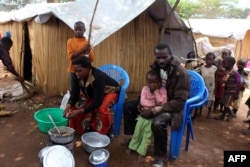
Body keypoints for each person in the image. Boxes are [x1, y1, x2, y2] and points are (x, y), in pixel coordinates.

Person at [140, 43, 190, 167]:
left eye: (164, 57)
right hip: (156, 101)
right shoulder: (156, 68)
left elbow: (179, 102)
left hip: (172, 106)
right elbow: (149, 87)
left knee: (158, 122)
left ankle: (161, 156)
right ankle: (136, 140)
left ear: (171, 55)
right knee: (129, 107)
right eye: (158, 57)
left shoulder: (180, 73)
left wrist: (154, 110)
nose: (161, 60)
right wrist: (141, 104)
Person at [63, 56, 120, 136]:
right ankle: (79, 128)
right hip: (92, 92)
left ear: (87, 69)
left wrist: (80, 111)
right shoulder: (75, 75)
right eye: (75, 71)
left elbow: (98, 100)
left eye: (79, 71)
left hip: (109, 92)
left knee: (101, 108)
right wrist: (68, 106)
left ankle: (105, 132)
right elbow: (74, 93)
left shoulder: (98, 77)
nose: (77, 74)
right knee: (74, 106)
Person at [126, 69, 167, 163]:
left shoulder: (162, 90)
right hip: (143, 116)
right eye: (150, 82)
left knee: (147, 136)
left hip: (152, 118)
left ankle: (142, 152)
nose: (152, 85)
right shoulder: (145, 89)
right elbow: (143, 101)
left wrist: (156, 93)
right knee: (137, 133)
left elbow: (162, 102)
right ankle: (132, 147)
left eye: (155, 82)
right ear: (146, 82)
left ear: (159, 82)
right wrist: (154, 104)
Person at [67, 21, 94, 91]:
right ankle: (74, 101)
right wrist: (83, 50)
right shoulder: (70, 41)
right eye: (76, 29)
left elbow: (91, 58)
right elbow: (71, 57)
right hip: (74, 70)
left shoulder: (87, 42)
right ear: (74, 30)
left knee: (86, 89)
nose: (78, 31)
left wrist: (89, 51)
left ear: (84, 30)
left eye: (80, 29)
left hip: (85, 71)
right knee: (74, 89)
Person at [0, 37, 22, 117]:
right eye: (9, 48)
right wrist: (17, 75)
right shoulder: (2, 48)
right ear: (6, 44)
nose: (9, 50)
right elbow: (9, 66)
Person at [215, 56, 241, 121]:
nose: (222, 64)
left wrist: (236, 94)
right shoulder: (227, 71)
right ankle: (225, 115)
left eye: (224, 63)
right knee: (224, 103)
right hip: (227, 90)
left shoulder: (235, 72)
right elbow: (226, 79)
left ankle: (229, 114)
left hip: (232, 91)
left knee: (226, 104)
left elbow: (239, 82)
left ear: (230, 64)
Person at [199, 52, 217, 118]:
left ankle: (209, 113)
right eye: (207, 59)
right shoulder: (202, 67)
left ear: (213, 60)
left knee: (209, 100)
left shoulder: (214, 68)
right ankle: (199, 111)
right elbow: (200, 76)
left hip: (211, 87)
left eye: (211, 59)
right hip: (203, 86)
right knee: (201, 98)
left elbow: (216, 78)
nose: (209, 61)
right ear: (205, 59)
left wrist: (216, 88)